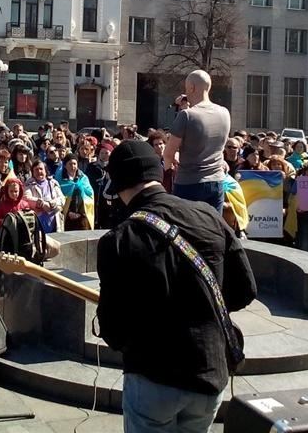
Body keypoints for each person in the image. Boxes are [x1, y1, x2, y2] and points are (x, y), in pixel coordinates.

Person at [97, 140, 256, 433]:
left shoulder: (119, 239)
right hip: (209, 370)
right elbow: (245, 289)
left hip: (153, 374)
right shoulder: (208, 214)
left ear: (118, 184)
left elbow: (113, 329)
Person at [163, 70, 231, 213]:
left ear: (191, 87)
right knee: (212, 229)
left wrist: (169, 170)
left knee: (186, 230)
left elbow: (168, 154)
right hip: (217, 181)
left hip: (189, 183)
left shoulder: (186, 115)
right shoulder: (225, 112)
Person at [56, 153, 95, 230]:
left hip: (82, 216)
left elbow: (90, 194)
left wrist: (81, 213)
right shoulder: (59, 180)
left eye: (74, 164)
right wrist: (69, 212)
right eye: (70, 164)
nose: (73, 166)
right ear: (65, 165)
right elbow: (58, 198)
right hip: (67, 217)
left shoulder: (84, 178)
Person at [24, 160, 64, 234]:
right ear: (32, 172)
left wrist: (50, 204)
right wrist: (42, 203)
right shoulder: (28, 185)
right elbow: (26, 198)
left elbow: (62, 199)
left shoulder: (53, 183)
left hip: (55, 224)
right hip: (37, 225)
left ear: (45, 171)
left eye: (41, 169)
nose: (39, 171)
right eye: (36, 170)